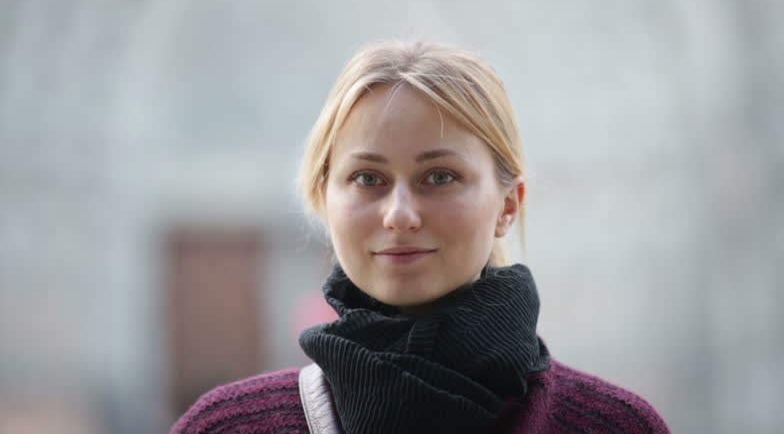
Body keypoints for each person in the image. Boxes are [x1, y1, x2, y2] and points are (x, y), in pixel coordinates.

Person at [171, 40, 671, 434]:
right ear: (326, 200)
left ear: (509, 205)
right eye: (368, 178)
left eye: (439, 177)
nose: (400, 215)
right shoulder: (230, 426)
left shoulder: (614, 426)